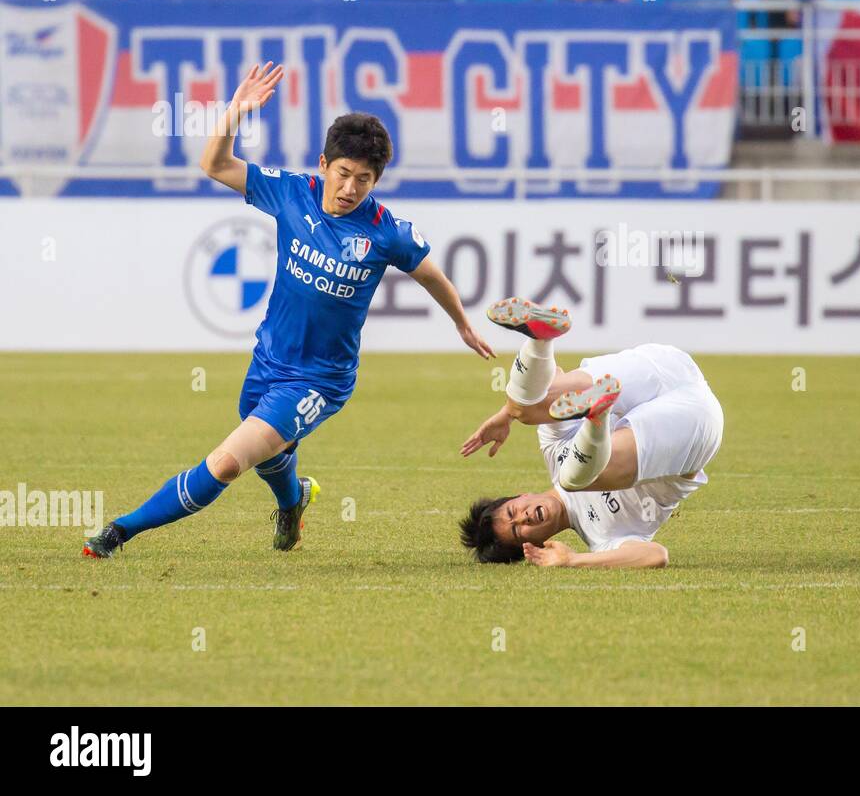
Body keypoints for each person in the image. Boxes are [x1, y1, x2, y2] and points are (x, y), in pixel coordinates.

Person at [83, 63, 495, 558]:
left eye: (364, 180)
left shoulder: (387, 230)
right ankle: (294, 500)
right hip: (268, 359)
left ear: (376, 180)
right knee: (269, 454)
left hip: (320, 380)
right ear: (324, 164)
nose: (350, 189)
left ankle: (118, 532)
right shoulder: (291, 192)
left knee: (227, 462)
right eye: (343, 174)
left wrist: (462, 323)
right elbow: (215, 165)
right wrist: (234, 113)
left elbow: (431, 273)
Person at [458, 299, 724, 569]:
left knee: (528, 410)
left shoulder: (553, 449)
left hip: (664, 369)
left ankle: (541, 337)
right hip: (695, 423)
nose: (524, 518)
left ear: (520, 495)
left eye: (514, 511)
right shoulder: (602, 540)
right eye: (518, 531)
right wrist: (573, 560)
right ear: (532, 546)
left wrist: (509, 412)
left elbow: (551, 379)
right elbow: (656, 555)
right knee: (573, 478)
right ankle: (597, 416)